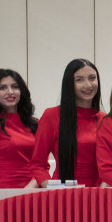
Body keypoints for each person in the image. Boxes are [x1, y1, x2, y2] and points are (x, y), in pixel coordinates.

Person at [31, 58, 104, 187]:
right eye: (79, 80)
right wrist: (52, 189)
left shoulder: (105, 120)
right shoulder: (51, 116)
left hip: (98, 194)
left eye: (92, 78)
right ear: (69, 84)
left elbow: (111, 166)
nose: (88, 85)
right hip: (63, 193)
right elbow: (38, 165)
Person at [0, 68, 39, 189]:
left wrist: (31, 187)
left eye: (15, 87)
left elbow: (42, 164)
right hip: (2, 193)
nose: (10, 92)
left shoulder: (35, 124)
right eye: (2, 88)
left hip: (34, 190)